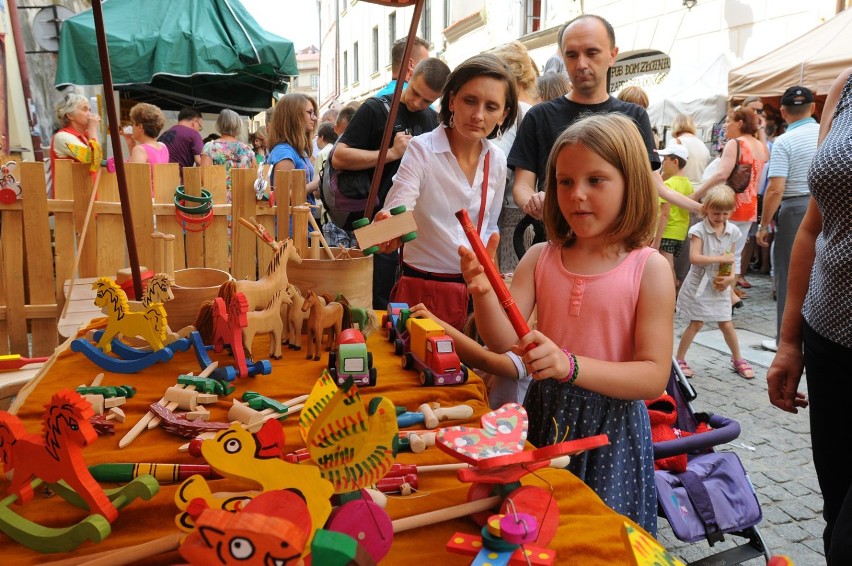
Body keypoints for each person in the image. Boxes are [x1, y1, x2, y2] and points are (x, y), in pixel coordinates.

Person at [460, 113, 674, 535]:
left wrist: (569, 365)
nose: (576, 195)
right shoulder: (540, 257)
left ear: (631, 183)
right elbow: (505, 340)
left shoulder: (648, 269)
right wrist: (483, 293)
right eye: (564, 181)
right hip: (544, 415)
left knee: (599, 539)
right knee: (538, 530)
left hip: (612, 432)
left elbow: (653, 376)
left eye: (596, 180)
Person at [766, 66, 852, 564]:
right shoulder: (846, 84)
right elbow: (812, 229)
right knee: (836, 511)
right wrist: (789, 341)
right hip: (830, 339)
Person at [509, 14, 698, 233]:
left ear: (612, 55)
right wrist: (533, 203)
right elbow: (522, 185)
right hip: (556, 241)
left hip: (617, 246)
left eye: (591, 53)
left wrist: (699, 207)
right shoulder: (539, 116)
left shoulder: (634, 116)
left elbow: (650, 183)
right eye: (571, 55)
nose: (581, 64)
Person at [373, 53, 518, 331]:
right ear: (452, 101)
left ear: (504, 114)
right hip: (421, 292)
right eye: (470, 100)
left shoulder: (496, 160)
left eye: (491, 106)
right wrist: (387, 228)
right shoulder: (422, 149)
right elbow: (400, 206)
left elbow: (488, 228)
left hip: (474, 293)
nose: (478, 115)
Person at [331, 57, 451, 310]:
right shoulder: (376, 109)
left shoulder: (432, 119)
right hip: (376, 221)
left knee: (402, 304)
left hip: (410, 226)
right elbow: (339, 157)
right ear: (410, 73)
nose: (417, 103)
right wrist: (392, 153)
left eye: (427, 100)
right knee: (374, 301)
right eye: (415, 92)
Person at [755, 86, 819, 352]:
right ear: (813, 108)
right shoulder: (826, 133)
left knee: (788, 275)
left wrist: (762, 225)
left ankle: (786, 342)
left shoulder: (783, 141)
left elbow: (776, 188)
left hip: (795, 208)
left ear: (782, 111)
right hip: (826, 204)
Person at [692, 106, 768, 311]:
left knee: (713, 249)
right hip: (749, 208)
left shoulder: (736, 143)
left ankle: (722, 297)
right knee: (733, 254)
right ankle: (728, 296)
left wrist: (697, 195)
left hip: (728, 205)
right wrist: (761, 128)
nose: (725, 125)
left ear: (740, 123)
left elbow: (721, 175)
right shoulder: (760, 146)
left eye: (729, 121)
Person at [675, 185, 754, 379]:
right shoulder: (698, 230)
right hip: (700, 283)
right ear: (706, 209)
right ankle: (679, 359)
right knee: (697, 323)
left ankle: (738, 358)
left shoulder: (733, 230)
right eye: (716, 213)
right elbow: (695, 258)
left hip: (720, 283)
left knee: (726, 323)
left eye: (725, 213)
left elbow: (733, 258)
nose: (720, 217)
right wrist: (721, 260)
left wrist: (730, 279)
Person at [490, 41, 540, 273]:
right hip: (528, 212)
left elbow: (493, 163)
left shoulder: (516, 111)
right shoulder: (533, 111)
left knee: (511, 284)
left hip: (513, 216)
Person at [265, 93, 319, 209]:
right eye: (309, 113)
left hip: (300, 222)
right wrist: (315, 184)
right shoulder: (284, 152)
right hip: (290, 224)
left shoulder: (295, 149)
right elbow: (281, 197)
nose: (314, 118)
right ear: (294, 116)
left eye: (314, 113)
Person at [654, 144, 694, 289]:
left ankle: (671, 296)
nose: (663, 163)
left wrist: (656, 241)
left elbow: (664, 214)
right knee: (670, 264)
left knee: (667, 265)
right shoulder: (688, 184)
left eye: (665, 159)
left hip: (668, 231)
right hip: (681, 232)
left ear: (675, 162)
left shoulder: (668, 185)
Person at [50, 92, 102, 198]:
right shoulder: (62, 137)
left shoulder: (85, 136)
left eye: (90, 110)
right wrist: (93, 130)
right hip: (73, 201)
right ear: (69, 115)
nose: (90, 114)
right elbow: (92, 158)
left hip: (85, 196)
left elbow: (98, 158)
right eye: (85, 109)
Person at [200, 108, 255, 200]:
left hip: (217, 202)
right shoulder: (247, 150)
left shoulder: (210, 147)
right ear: (238, 126)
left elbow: (203, 177)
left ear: (219, 124)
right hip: (242, 202)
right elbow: (254, 178)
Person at [122, 103, 169, 197]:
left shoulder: (140, 150)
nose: (132, 127)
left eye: (133, 124)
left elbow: (133, 179)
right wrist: (131, 144)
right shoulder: (163, 147)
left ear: (140, 127)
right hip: (160, 198)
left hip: (144, 201)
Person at [158, 107, 204, 176]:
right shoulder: (193, 134)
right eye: (200, 127)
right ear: (194, 122)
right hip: (178, 181)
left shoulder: (164, 134)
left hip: (159, 179)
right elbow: (200, 161)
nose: (198, 130)